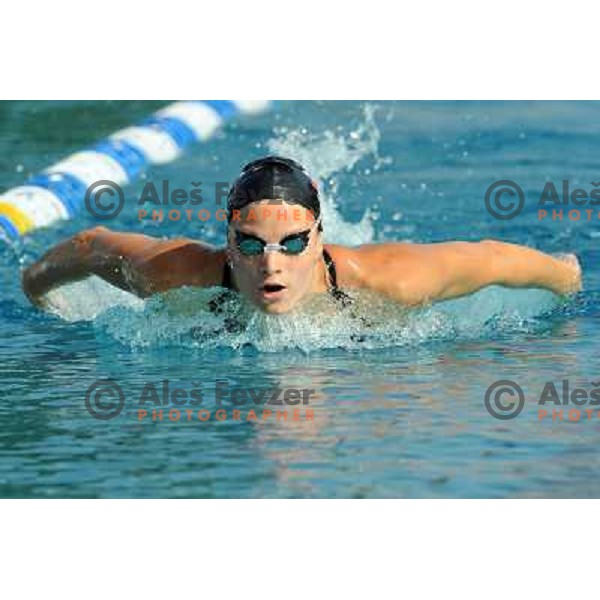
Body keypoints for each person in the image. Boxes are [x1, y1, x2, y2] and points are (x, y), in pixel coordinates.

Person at [22, 156, 583, 315]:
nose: (272, 264)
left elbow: (489, 259)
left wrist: (565, 276)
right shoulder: (177, 272)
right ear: (227, 239)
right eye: (250, 244)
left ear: (318, 238)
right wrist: (36, 289)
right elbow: (90, 245)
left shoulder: (393, 282)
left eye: (291, 244)